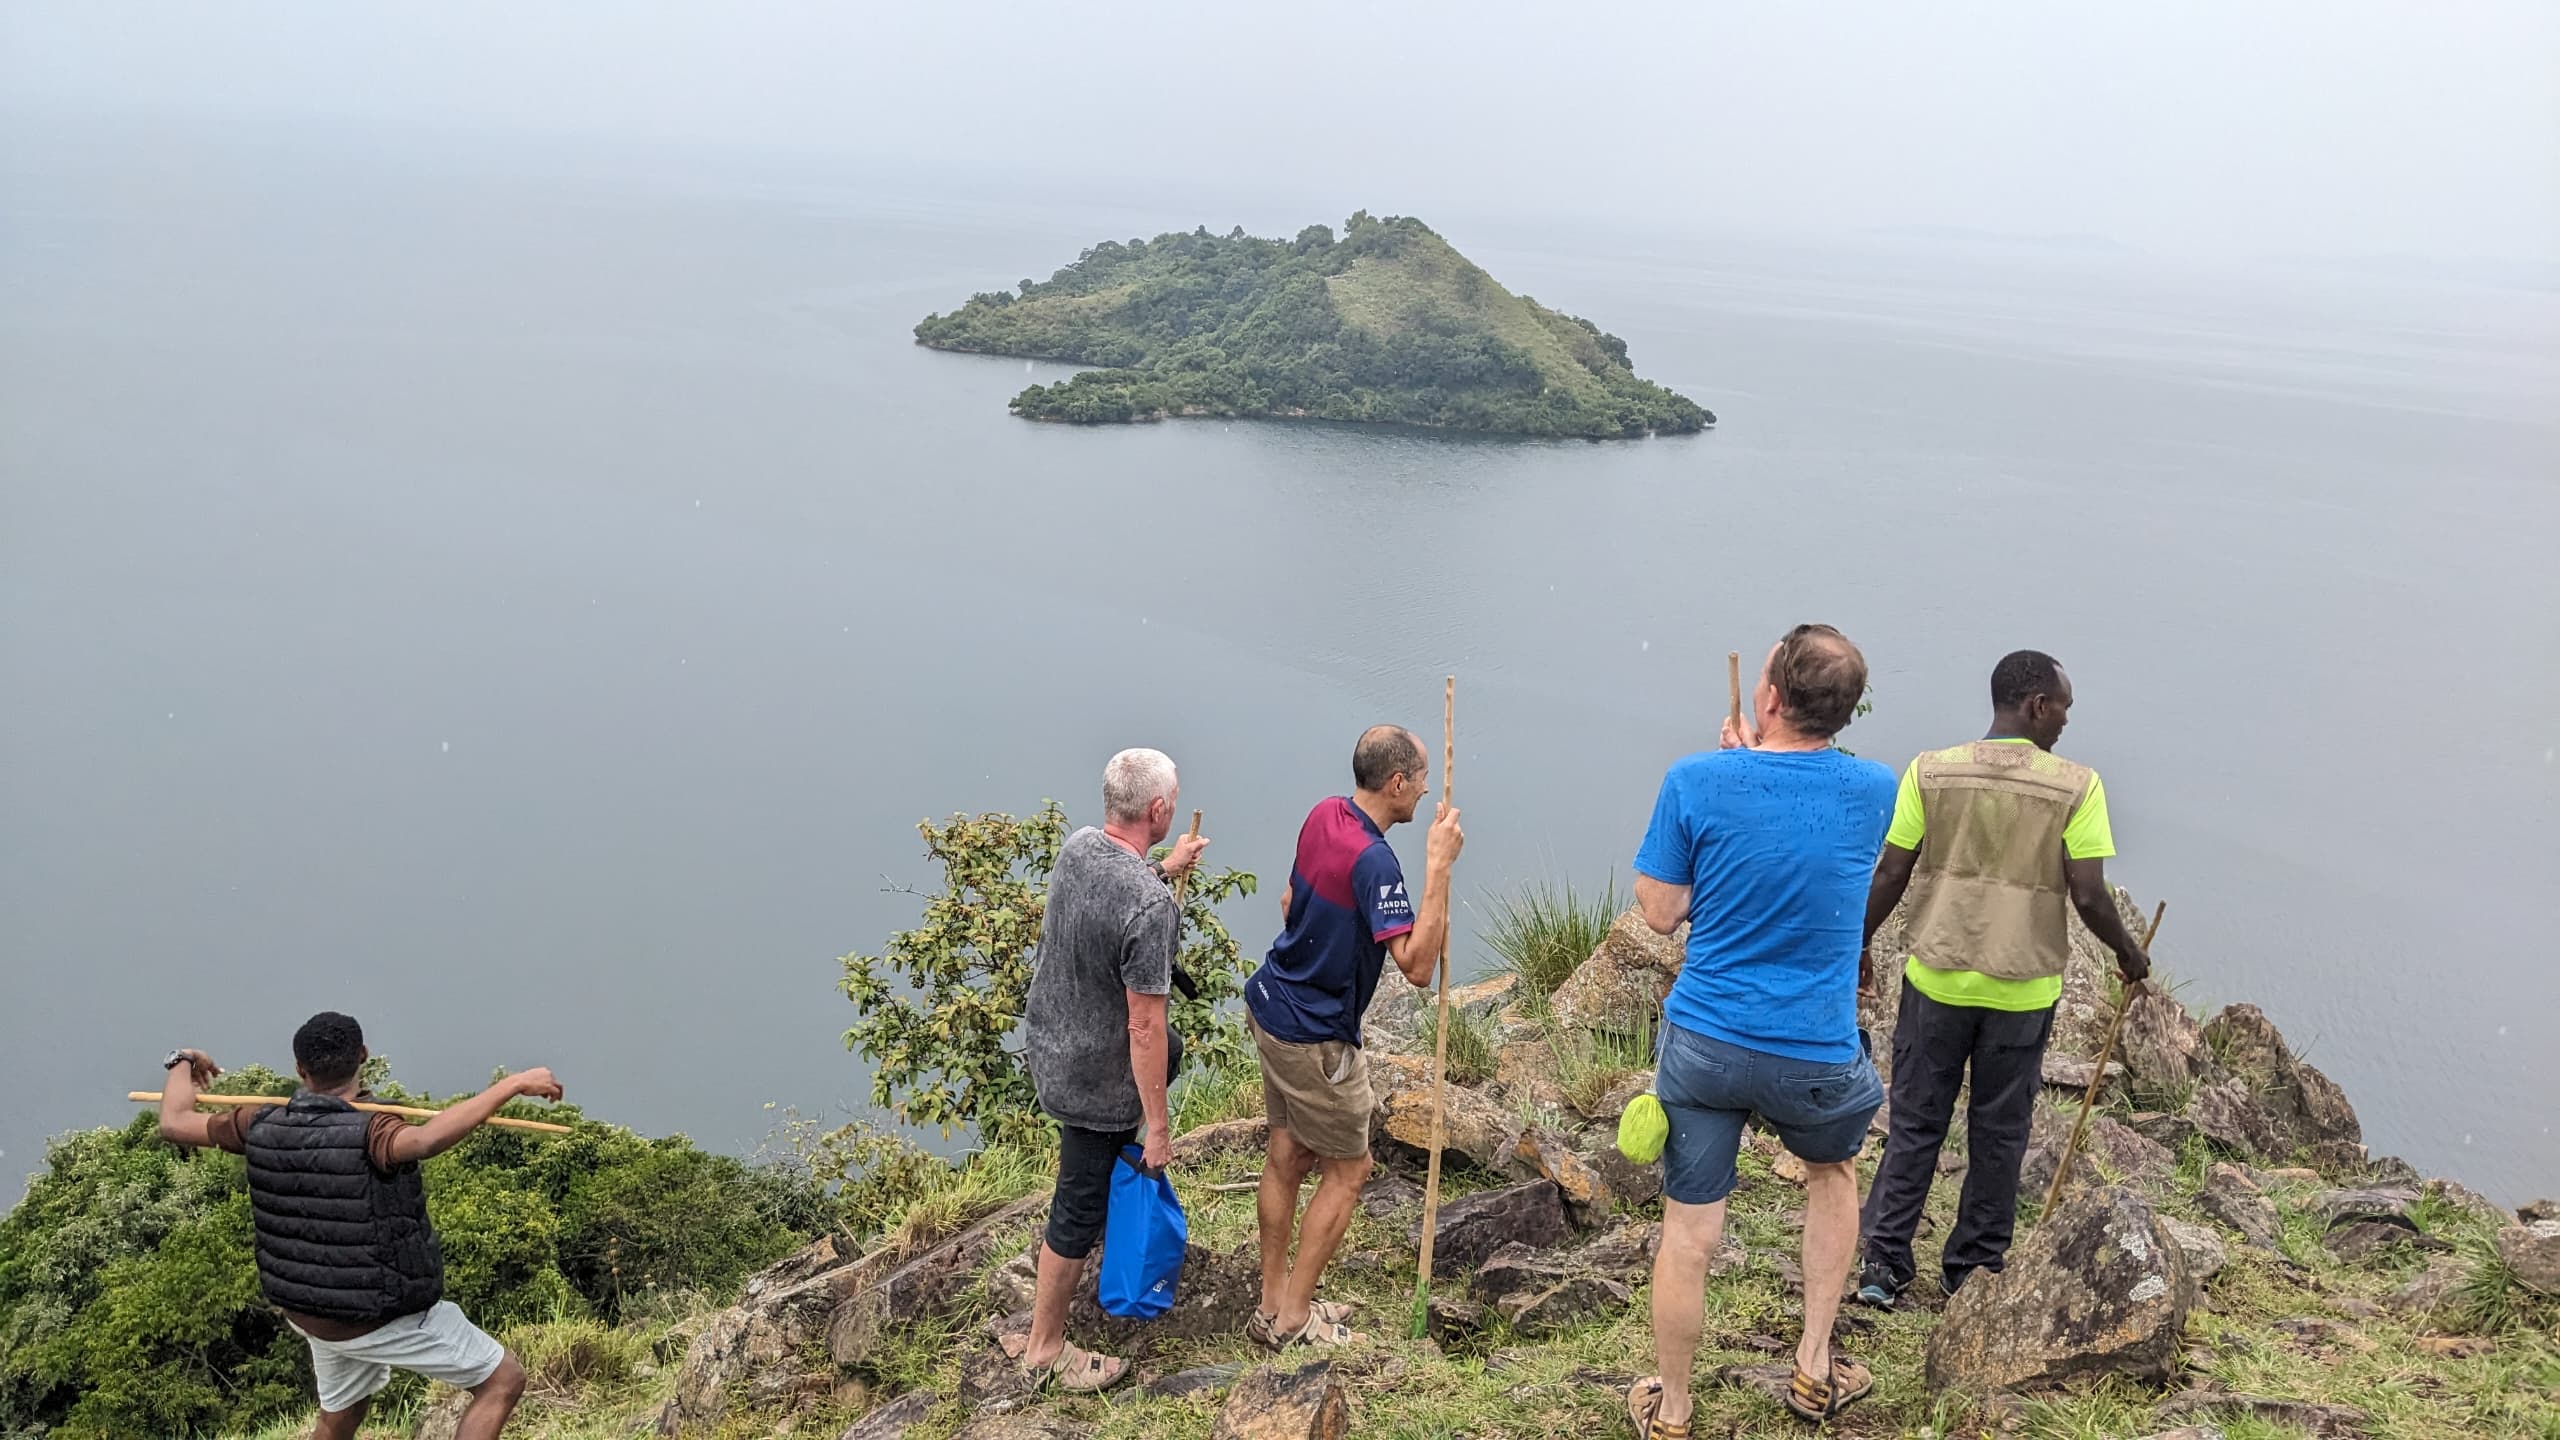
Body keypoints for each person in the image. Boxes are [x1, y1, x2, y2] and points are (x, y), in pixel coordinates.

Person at [1625, 625, 1895, 1434]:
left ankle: (1673, 1409)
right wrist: (1757, 761)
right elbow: (1807, 820)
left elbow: (1661, 911)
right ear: (1846, 712)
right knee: (1832, 1174)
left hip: (1707, 1042)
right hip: (1813, 1051)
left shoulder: (1696, 780)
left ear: (1768, 696)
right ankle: (1814, 1366)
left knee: (1690, 1231)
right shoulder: (1875, 788)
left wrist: (1735, 764)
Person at [1855, 650, 2151, 1309]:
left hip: (1935, 980)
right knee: (1998, 1132)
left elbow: (1890, 873)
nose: (2067, 722)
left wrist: (1858, 944)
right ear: (2037, 705)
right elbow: (2091, 894)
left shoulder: (1930, 772)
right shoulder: (2077, 786)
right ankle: (1972, 1270)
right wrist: (2129, 954)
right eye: (2064, 708)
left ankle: (1882, 1263)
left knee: (1915, 1122)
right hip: (2021, 991)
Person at [153, 1014, 564, 1440]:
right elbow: (424, 1140)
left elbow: (174, 1121)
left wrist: (182, 1061)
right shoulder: (373, 1132)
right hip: (377, 1316)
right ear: (363, 1056)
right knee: (502, 1379)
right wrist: (510, 1085)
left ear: (300, 1069)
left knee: (342, 1415)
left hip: (310, 1311)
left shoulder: (260, 1123)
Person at [1243, 724, 1463, 1350]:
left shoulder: (1323, 814)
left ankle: (1272, 1303)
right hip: (1315, 1038)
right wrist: (1438, 867)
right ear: (1397, 783)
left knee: (1287, 1154)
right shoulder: (1376, 862)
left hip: (1271, 1005)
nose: (1424, 793)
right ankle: (1294, 1319)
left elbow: (1291, 901)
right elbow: (1417, 968)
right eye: (1420, 781)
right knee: (1350, 1169)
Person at [1015, 747, 1209, 1391]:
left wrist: (1163, 866)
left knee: (1170, 1054)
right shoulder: (1151, 909)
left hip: (1051, 1045)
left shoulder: (1079, 848)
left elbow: (1116, 887)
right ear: (1158, 809)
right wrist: (1157, 1128)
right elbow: (1144, 1027)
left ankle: (1102, 1184)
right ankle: (1045, 1349)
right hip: (1094, 1078)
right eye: (1172, 797)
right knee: (1078, 1203)